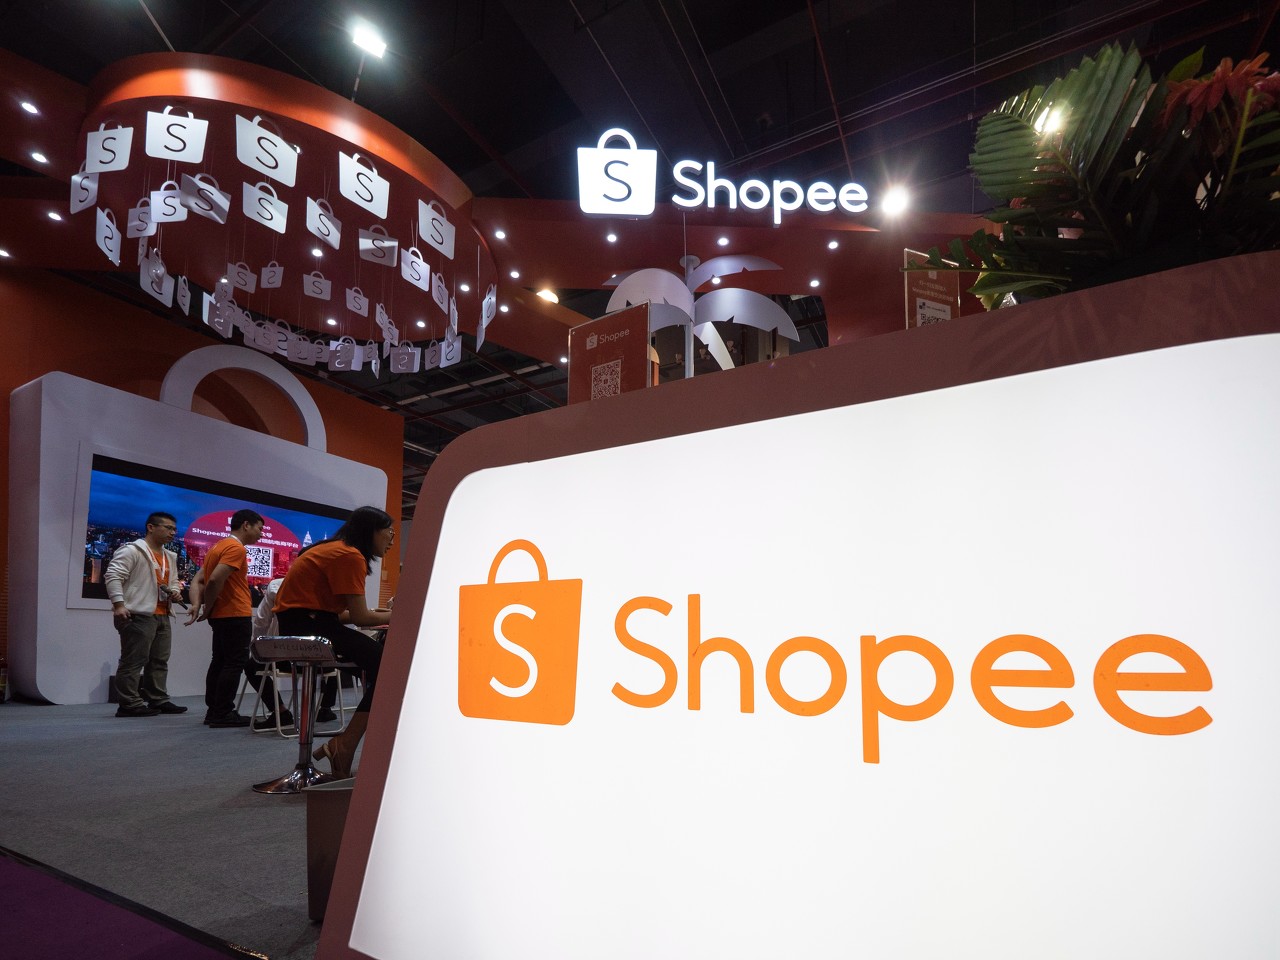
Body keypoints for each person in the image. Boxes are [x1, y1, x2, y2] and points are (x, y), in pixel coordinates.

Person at [274, 505, 393, 778]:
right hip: (312, 628)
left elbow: (338, 615)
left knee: (381, 667)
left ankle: (346, 744)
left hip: (302, 624)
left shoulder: (333, 549)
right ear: (371, 531)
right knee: (389, 669)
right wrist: (401, 613)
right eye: (389, 532)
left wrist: (385, 614)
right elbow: (361, 618)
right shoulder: (350, 555)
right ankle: (345, 744)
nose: (391, 540)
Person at [186, 508, 264, 727]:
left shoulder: (218, 547)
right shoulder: (235, 548)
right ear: (246, 525)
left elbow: (199, 580)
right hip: (234, 613)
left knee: (219, 661)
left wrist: (198, 605)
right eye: (259, 528)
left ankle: (214, 710)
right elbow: (213, 580)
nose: (261, 534)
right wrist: (208, 607)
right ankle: (223, 712)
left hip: (222, 616)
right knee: (234, 663)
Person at [104, 511, 187, 717]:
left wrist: (174, 591)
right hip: (138, 613)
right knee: (134, 660)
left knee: (159, 660)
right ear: (151, 527)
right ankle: (129, 704)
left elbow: (172, 581)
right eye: (168, 528)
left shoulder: (169, 556)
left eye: (174, 529)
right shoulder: (131, 550)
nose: (172, 533)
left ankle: (158, 699)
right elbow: (113, 576)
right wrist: (119, 605)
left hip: (163, 613)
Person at [244, 578, 339, 730]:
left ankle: (280, 711)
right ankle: (325, 708)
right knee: (332, 655)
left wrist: (259, 650)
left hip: (288, 656)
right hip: (321, 661)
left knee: (251, 666)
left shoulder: (277, 586)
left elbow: (261, 621)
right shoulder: (327, 587)